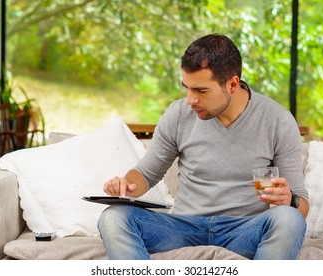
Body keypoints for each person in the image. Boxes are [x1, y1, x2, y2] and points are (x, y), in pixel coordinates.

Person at [98, 34, 309, 260]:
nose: (190, 99)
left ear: (232, 84)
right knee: (113, 217)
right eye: (187, 88)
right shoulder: (178, 115)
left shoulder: (277, 121)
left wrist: (289, 200)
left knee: (290, 219)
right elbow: (146, 174)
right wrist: (125, 185)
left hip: (245, 230)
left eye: (201, 91)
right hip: (183, 227)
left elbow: (301, 206)